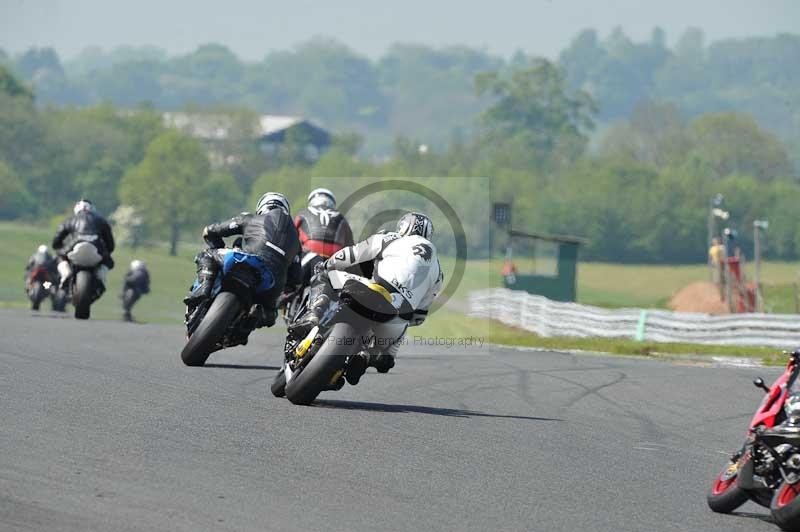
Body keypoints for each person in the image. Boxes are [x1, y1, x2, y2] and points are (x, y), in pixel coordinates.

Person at [290, 212, 443, 384]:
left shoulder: (391, 238)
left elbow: (352, 254)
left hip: (372, 291)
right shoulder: (438, 270)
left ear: (404, 226)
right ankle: (366, 358)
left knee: (325, 275)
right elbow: (420, 314)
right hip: (397, 317)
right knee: (387, 359)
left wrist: (327, 264)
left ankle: (315, 313)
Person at [184, 192, 301, 329]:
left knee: (207, 255)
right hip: (273, 283)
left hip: (244, 259)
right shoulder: (296, 241)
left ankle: (203, 289)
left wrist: (218, 248)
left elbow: (210, 231)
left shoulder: (249, 218)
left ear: (261, 207)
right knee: (269, 315)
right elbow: (296, 280)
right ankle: (256, 317)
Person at [293, 188, 354, 286]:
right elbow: (351, 247)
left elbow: (290, 237)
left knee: (289, 287)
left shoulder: (302, 213)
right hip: (335, 263)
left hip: (308, 258)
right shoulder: (342, 218)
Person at [52, 199, 115, 291]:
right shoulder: (101, 221)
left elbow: (57, 239)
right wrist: (107, 252)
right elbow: (110, 243)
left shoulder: (70, 220)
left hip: (74, 245)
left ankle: (66, 274)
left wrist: (59, 247)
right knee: (109, 261)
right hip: (96, 246)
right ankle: (100, 275)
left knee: (59, 257)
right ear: (92, 209)